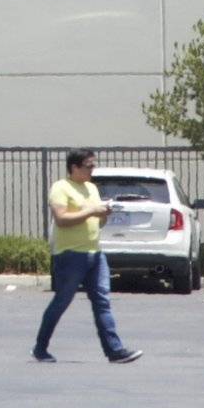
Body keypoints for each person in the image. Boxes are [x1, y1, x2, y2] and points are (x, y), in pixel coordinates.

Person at [32, 148, 142, 364]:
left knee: (102, 301)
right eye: (89, 166)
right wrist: (92, 211)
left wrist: (103, 215)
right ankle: (40, 347)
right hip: (70, 255)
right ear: (74, 167)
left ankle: (115, 351)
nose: (93, 169)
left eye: (93, 165)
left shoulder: (91, 188)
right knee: (61, 301)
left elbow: (97, 221)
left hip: (95, 253)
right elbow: (62, 218)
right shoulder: (61, 188)